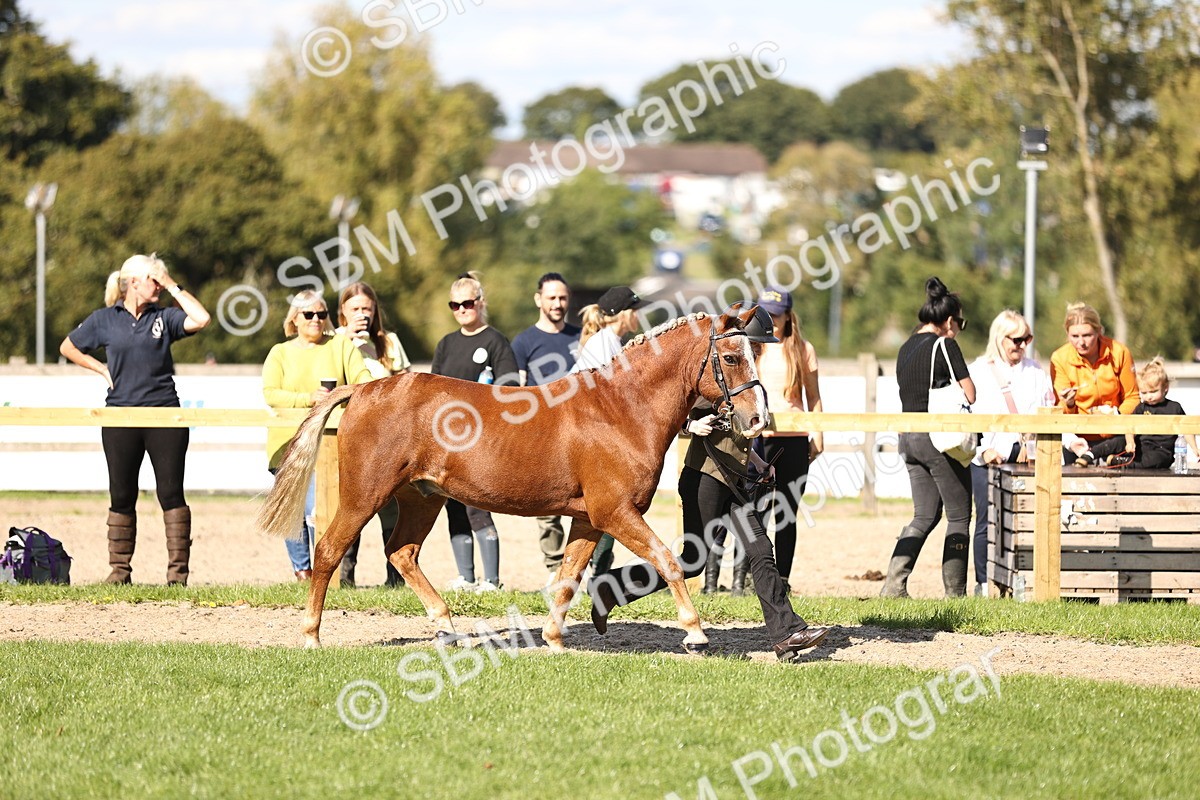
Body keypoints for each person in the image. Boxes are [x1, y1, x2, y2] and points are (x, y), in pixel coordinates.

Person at [587, 306, 831, 662]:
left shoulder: (741, 376)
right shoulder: (715, 373)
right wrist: (690, 425)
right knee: (693, 560)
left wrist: (758, 463)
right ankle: (610, 587)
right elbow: (672, 403)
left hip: (733, 480)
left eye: (759, 346)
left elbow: (736, 435)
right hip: (703, 478)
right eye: (756, 344)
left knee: (760, 550)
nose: (758, 350)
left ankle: (787, 635)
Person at [59, 253, 211, 585]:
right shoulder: (104, 319)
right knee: (121, 494)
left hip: (165, 416)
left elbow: (201, 319)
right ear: (133, 283)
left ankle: (177, 576)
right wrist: (101, 369)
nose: (158, 286)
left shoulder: (165, 317)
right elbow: (68, 347)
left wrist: (171, 284)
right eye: (154, 279)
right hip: (120, 416)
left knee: (171, 494)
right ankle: (119, 571)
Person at [262, 290, 371, 581]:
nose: (316, 319)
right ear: (294, 319)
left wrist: (341, 394)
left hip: (332, 443)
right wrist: (307, 398)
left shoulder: (341, 345)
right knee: (293, 511)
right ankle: (302, 571)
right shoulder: (280, 352)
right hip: (288, 443)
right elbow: (270, 393)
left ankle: (324, 572)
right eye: (308, 314)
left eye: (321, 314)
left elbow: (364, 381)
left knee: (317, 511)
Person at [881, 277, 977, 599]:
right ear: (949, 321)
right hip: (938, 440)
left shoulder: (905, 347)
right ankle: (955, 595)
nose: (958, 329)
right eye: (959, 323)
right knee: (959, 516)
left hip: (909, 438)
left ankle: (893, 586)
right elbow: (970, 394)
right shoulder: (945, 345)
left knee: (924, 515)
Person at [430, 272, 519, 592]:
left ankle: (491, 580)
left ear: (480, 303)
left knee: (477, 505)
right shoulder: (446, 344)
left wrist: (484, 396)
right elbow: (433, 390)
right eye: (455, 305)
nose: (462, 309)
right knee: (453, 506)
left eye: (467, 303)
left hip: (481, 438)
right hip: (447, 439)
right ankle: (466, 577)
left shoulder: (495, 341)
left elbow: (511, 387)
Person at [966, 310, 1054, 596]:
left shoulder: (1036, 371)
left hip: (1026, 456)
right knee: (987, 520)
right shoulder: (979, 370)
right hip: (988, 456)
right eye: (1015, 339)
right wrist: (982, 450)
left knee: (1024, 520)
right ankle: (984, 583)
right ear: (999, 338)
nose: (1022, 345)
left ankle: (1021, 581)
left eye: (1026, 338)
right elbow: (968, 415)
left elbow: (1048, 410)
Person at [747, 286, 824, 597]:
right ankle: (752, 578)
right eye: (766, 314)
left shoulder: (803, 349)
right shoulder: (753, 347)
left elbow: (813, 397)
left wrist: (819, 435)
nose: (772, 320)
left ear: (789, 316)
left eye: (777, 315)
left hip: (793, 439)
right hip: (758, 440)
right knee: (755, 511)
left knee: (786, 513)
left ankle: (783, 578)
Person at [334, 281, 411, 588]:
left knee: (391, 505)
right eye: (355, 308)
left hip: (388, 438)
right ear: (343, 311)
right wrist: (346, 341)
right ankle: (345, 577)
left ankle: (396, 578)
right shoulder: (333, 342)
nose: (362, 314)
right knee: (352, 506)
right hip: (349, 435)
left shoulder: (389, 342)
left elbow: (407, 385)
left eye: (367, 308)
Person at [570, 285, 644, 576]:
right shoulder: (603, 343)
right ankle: (597, 572)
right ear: (624, 314)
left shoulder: (613, 342)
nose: (638, 317)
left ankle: (597, 571)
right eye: (635, 311)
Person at [510, 272, 581, 577]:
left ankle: (590, 569)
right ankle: (555, 570)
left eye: (562, 298)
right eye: (551, 297)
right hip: (543, 433)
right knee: (549, 505)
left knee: (594, 502)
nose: (557, 303)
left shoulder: (581, 337)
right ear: (538, 299)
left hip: (583, 432)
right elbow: (516, 391)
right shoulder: (523, 342)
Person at [1049, 302, 1140, 466]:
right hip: (1079, 440)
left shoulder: (1119, 352)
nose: (1081, 342)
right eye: (1074, 336)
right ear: (1067, 334)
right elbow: (1059, 407)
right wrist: (1069, 403)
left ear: (1099, 331)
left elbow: (1132, 397)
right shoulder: (1059, 358)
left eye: (1087, 335)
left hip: (1116, 437)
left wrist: (1117, 414)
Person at [1124, 358, 1197, 469]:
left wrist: (1194, 448)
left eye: (1153, 391)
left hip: (1162, 451)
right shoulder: (1141, 408)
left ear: (1165, 388)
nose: (1149, 396)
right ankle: (1096, 454)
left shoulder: (1174, 407)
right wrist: (1130, 442)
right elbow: (1130, 427)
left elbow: (1186, 429)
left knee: (1156, 459)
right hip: (1141, 447)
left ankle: (1125, 464)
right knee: (1116, 441)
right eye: (1144, 393)